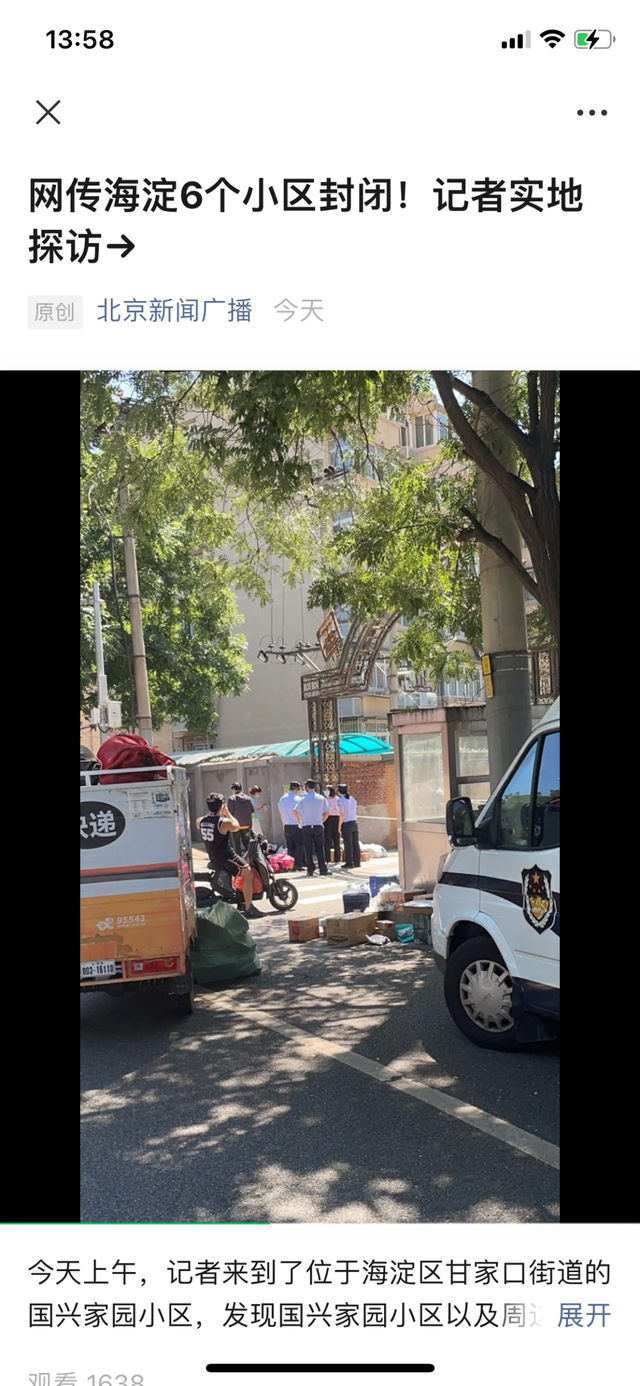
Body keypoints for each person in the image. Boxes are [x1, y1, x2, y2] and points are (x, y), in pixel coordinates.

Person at [196, 794, 260, 917]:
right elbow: (237, 826)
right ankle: (249, 907)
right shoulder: (223, 822)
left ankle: (239, 897)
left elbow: (198, 823)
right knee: (248, 872)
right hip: (226, 857)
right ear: (221, 806)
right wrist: (227, 813)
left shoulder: (201, 821)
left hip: (214, 855)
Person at [294, 779, 329, 876]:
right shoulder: (321, 798)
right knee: (320, 848)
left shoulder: (303, 799)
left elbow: (295, 811)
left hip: (306, 825)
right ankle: (323, 869)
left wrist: (299, 822)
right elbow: (327, 812)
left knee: (308, 848)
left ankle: (310, 869)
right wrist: (321, 821)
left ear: (307, 787)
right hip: (318, 825)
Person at [278, 780, 306, 870]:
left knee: (290, 846)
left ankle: (290, 864)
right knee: (299, 845)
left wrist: (283, 823)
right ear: (295, 790)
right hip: (296, 824)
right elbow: (302, 812)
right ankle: (298, 863)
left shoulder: (282, 799)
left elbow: (280, 813)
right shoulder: (298, 799)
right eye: (299, 790)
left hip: (286, 825)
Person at [337, 782, 361, 868]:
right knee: (355, 843)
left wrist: (339, 826)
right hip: (354, 822)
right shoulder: (352, 799)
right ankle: (357, 862)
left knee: (348, 844)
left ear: (339, 791)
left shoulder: (341, 801)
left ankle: (349, 862)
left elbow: (342, 814)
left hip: (346, 823)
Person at [227, 781, 253, 854]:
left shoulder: (232, 799)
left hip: (236, 826)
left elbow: (230, 812)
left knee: (236, 846)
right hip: (246, 826)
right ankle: (251, 858)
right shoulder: (248, 799)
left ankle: (239, 859)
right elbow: (252, 810)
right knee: (247, 845)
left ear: (233, 789)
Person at [323, 784, 341, 864]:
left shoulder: (337, 799)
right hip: (327, 819)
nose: (325, 792)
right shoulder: (324, 800)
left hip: (336, 819)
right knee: (327, 839)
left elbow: (341, 810)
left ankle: (337, 858)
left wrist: (337, 809)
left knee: (336, 839)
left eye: (327, 790)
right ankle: (327, 858)